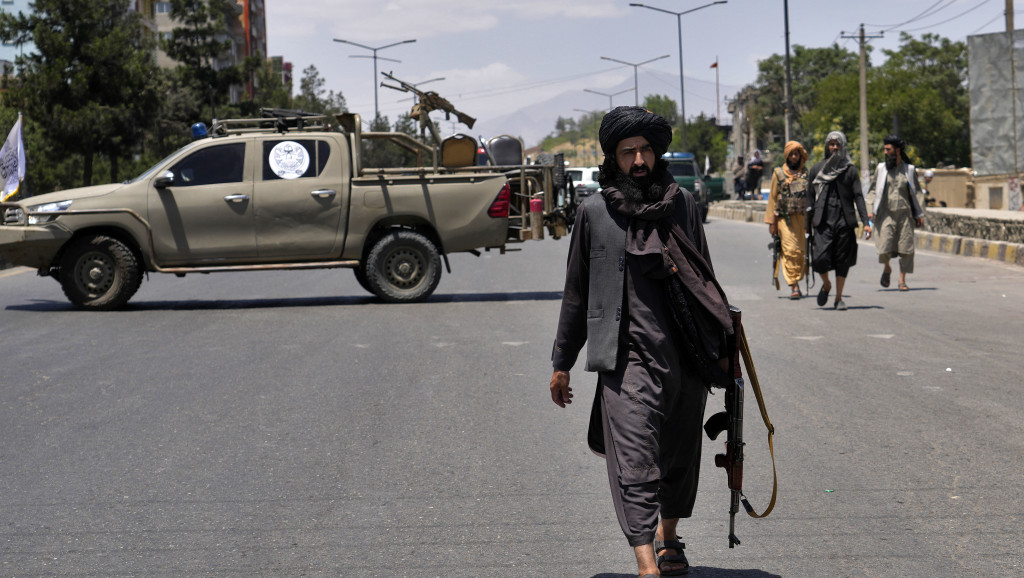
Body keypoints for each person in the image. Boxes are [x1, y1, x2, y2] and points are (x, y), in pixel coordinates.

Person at [548, 106, 733, 578]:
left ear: (657, 152)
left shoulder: (684, 206)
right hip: (624, 361)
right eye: (628, 151)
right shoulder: (593, 213)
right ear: (612, 157)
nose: (638, 160)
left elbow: (706, 280)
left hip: (685, 358)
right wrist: (562, 362)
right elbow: (577, 292)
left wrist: (724, 351)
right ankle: (645, 562)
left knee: (676, 455)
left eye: (646, 149)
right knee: (635, 460)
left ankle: (669, 538)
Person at [807, 131, 871, 310]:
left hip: (844, 221)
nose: (834, 147)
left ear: (842, 147)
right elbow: (809, 199)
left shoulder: (849, 169)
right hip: (822, 221)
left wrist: (866, 222)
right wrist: (807, 223)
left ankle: (838, 298)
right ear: (827, 146)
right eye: (831, 144)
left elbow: (858, 196)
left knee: (842, 261)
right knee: (819, 259)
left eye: (838, 144)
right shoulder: (817, 169)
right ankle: (826, 285)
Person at [867, 135, 925, 292]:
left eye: (888, 149)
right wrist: (870, 210)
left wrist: (920, 214)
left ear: (897, 150)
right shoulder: (881, 169)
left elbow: (917, 193)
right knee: (884, 247)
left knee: (906, 249)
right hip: (885, 214)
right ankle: (887, 269)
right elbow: (872, 190)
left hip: (905, 215)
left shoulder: (909, 170)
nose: (885, 152)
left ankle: (902, 280)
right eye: (884, 149)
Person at [765, 141, 809, 299]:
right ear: (787, 156)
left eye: (796, 154)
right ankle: (794, 286)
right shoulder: (778, 173)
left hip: (802, 220)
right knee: (790, 251)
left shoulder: (805, 173)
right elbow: (772, 198)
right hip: (785, 220)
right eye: (791, 154)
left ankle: (796, 279)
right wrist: (771, 223)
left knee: (800, 253)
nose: (794, 156)